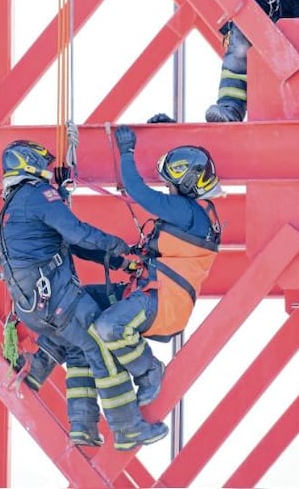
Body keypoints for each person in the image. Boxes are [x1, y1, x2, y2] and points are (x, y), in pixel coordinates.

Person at [0, 140, 169, 450]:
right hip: (59, 301)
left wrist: (116, 260)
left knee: (78, 348)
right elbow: (76, 233)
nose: (46, 170)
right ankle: (127, 428)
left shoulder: (11, 206)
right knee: (101, 347)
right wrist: (116, 245)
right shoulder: (37, 195)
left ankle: (82, 425)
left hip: (35, 309)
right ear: (28, 164)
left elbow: (67, 245)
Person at [87, 126, 224, 406]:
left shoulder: (187, 211)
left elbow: (139, 191)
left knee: (109, 326)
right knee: (80, 301)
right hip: (155, 293)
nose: (168, 190)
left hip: (161, 301)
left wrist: (126, 152)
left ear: (184, 184)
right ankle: (45, 359)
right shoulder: (198, 215)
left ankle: (149, 371)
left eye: (170, 185)